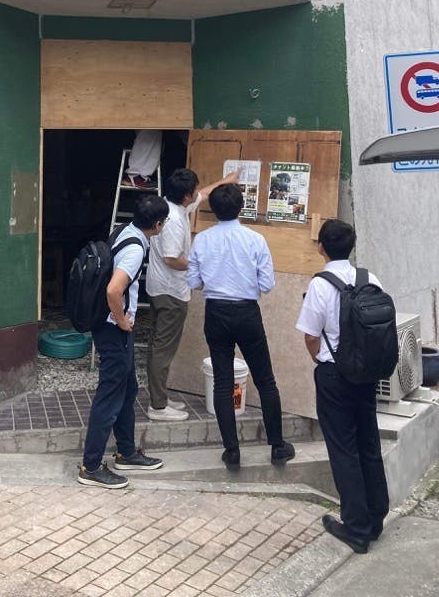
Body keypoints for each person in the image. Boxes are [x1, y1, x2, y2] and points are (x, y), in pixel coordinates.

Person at [295, 218, 389, 555]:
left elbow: (310, 335)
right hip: (367, 373)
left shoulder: (320, 285)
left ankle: (356, 528)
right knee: (368, 443)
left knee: (343, 449)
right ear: (352, 246)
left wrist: (319, 359)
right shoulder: (370, 279)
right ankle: (376, 517)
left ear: (321, 247)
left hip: (334, 374)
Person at [187, 183, 295, 470]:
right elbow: (267, 284)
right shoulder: (255, 239)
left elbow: (194, 281)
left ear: (213, 209)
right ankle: (277, 446)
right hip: (247, 312)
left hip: (216, 312)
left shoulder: (201, 240)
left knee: (222, 382)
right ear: (241, 207)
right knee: (265, 380)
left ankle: (232, 450)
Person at [78, 194, 170, 489]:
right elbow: (113, 290)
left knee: (128, 388)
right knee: (110, 395)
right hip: (113, 329)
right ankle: (91, 467)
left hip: (114, 328)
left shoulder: (125, 230)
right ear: (158, 225)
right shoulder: (135, 249)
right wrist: (121, 320)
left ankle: (126, 452)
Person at [146, 166, 239, 422]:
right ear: (186, 195)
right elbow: (171, 259)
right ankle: (157, 406)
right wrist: (200, 266)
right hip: (170, 292)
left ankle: (159, 396)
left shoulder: (172, 206)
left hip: (160, 287)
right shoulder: (175, 221)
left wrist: (226, 180)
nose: (198, 192)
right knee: (163, 349)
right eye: (194, 190)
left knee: (158, 345)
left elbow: (204, 194)